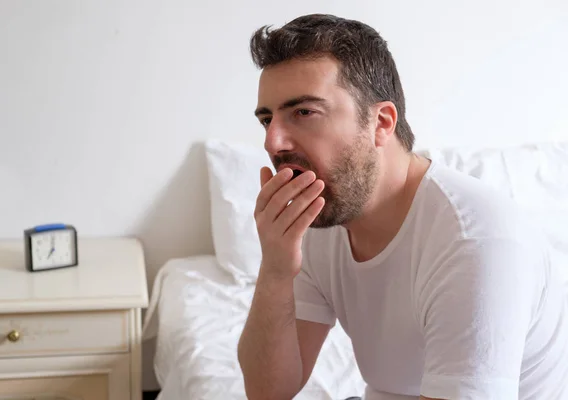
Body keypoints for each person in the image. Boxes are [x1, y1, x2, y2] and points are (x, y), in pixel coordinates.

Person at [236, 13, 568, 400]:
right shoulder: (323, 214)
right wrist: (276, 269)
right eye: (266, 119)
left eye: (304, 112)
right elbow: (268, 391)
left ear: (382, 122)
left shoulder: (475, 241)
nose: (273, 142)